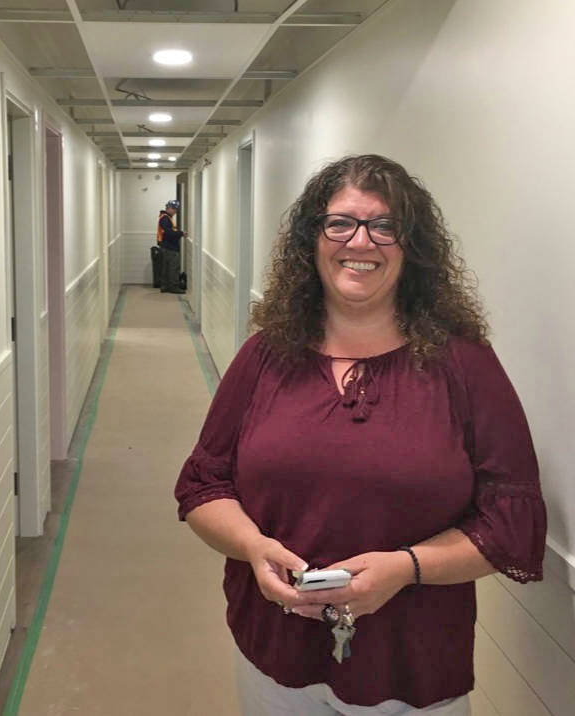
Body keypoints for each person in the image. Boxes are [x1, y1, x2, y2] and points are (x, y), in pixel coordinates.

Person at [174, 155, 546, 715]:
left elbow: (510, 522)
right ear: (313, 239)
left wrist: (407, 568)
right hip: (275, 651)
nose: (361, 241)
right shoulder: (265, 356)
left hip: (414, 665)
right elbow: (203, 487)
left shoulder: (464, 364)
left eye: (385, 225)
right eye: (340, 222)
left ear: (411, 245)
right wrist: (252, 547)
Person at [158, 199, 186, 294]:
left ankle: (165, 286)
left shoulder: (165, 218)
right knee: (173, 267)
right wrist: (181, 233)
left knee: (166, 267)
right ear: (169, 208)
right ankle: (174, 287)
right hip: (170, 247)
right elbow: (169, 233)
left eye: (176, 210)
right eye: (174, 209)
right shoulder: (165, 218)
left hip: (165, 247)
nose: (175, 212)